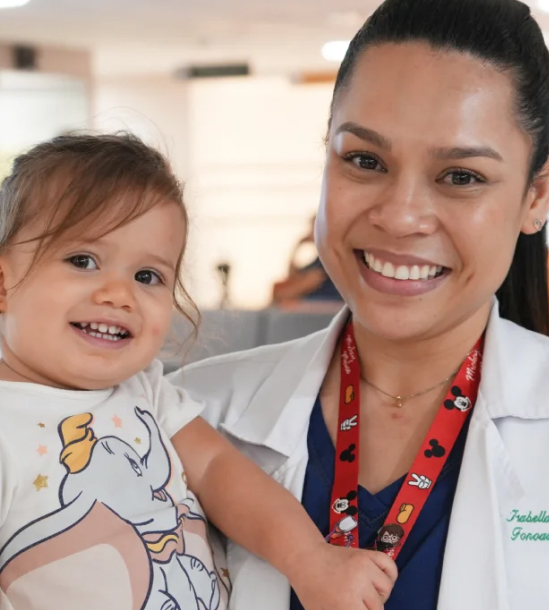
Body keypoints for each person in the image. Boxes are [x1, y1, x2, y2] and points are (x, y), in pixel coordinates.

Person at [168, 1, 549, 608]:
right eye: (365, 161)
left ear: (536, 197)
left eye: (461, 176)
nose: (399, 216)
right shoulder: (185, 418)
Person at [0, 134, 398, 610]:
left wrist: (311, 561)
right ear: (3, 283)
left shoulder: (145, 390)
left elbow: (218, 471)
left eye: (147, 276)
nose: (119, 294)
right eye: (82, 261)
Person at [272, 216, 342, 305]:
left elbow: (301, 287)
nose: (310, 233)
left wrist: (281, 295)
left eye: (313, 228)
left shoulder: (328, 260)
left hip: (322, 308)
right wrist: (297, 247)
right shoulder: (319, 260)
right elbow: (293, 276)